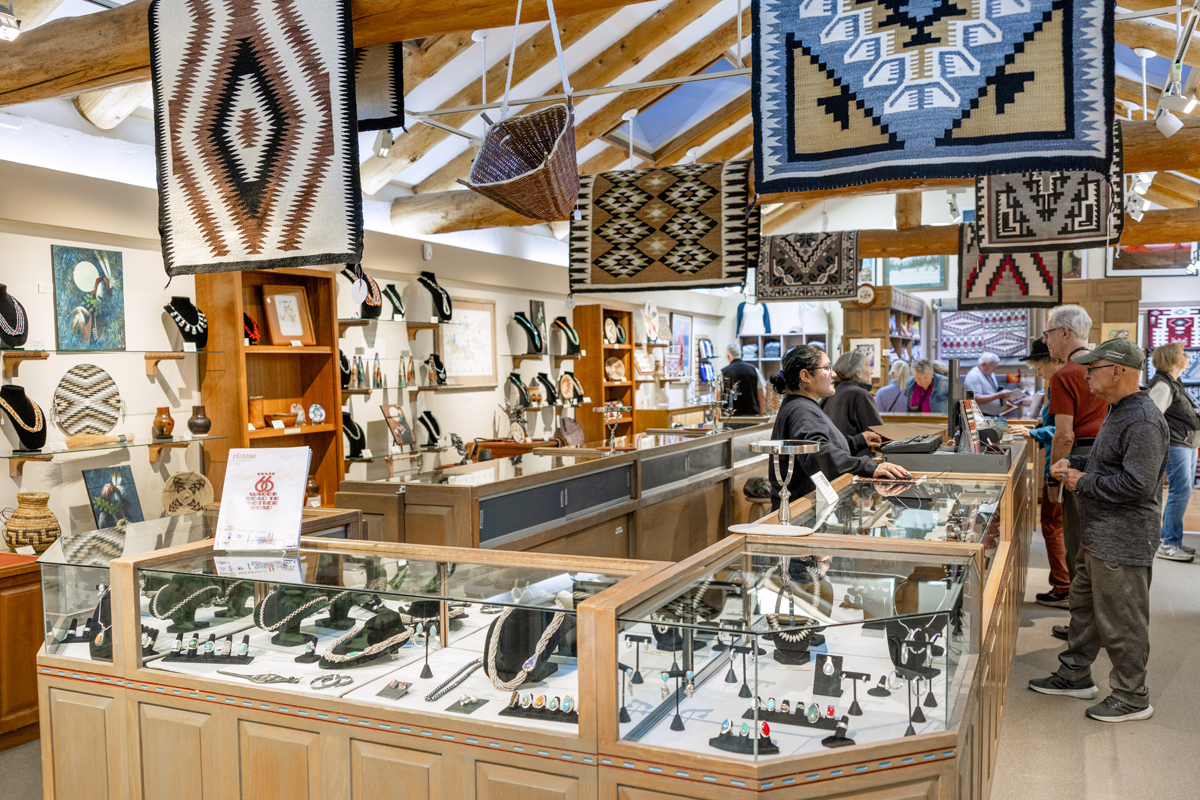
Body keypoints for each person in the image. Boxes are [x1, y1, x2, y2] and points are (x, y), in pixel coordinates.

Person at [1029, 337, 1168, 723]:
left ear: (1118, 371)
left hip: (1122, 539)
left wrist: (1079, 482)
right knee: (1085, 610)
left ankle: (1131, 696)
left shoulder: (1141, 419)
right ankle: (1075, 673)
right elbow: (1107, 461)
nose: (1086, 374)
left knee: (1123, 620)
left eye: (1094, 368)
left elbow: (1138, 485)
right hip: (1099, 534)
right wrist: (1074, 460)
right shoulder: (1119, 410)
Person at [767, 345, 910, 511]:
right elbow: (819, 455)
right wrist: (869, 467)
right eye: (827, 368)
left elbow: (820, 446)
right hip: (801, 512)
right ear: (805, 375)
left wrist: (858, 441)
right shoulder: (802, 410)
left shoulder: (803, 405)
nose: (834, 374)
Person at [1043, 305, 1108, 592]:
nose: (1046, 340)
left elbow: (1064, 436)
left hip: (1080, 459)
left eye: (1048, 334)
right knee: (1100, 541)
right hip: (1109, 456)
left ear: (1064, 332)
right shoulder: (1105, 367)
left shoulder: (1065, 374)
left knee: (1077, 543)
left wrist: (1053, 478)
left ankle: (1082, 623)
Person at [1012, 339, 1070, 606]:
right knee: (1055, 525)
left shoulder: (1061, 381)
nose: (1037, 372)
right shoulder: (1057, 382)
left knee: (1052, 525)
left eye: (1038, 366)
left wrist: (1034, 432)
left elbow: (1063, 431)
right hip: (1058, 464)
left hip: (1058, 467)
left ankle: (1063, 586)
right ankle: (1063, 583)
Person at [1147, 342, 1200, 562]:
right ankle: (1169, 544)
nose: (1187, 356)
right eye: (1182, 353)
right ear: (1171, 358)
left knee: (1182, 491)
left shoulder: (1174, 382)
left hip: (1186, 444)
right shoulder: (1163, 384)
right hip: (1177, 444)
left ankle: (1170, 538)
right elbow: (1151, 418)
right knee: (1180, 491)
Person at [823, 350, 883, 443]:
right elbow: (879, 435)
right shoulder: (860, 394)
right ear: (857, 373)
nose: (871, 371)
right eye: (868, 366)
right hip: (858, 455)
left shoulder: (832, 392)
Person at [962, 352, 1015, 417]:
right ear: (984, 364)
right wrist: (999, 395)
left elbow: (992, 393)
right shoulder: (973, 376)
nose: (994, 370)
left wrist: (1002, 396)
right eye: (993, 367)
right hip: (981, 417)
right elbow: (975, 399)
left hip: (993, 416)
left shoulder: (990, 374)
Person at [722, 343, 765, 416]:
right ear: (740, 354)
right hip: (751, 415)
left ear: (728, 357)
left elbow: (719, 396)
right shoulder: (754, 370)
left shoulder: (723, 372)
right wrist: (761, 414)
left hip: (730, 417)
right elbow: (761, 394)